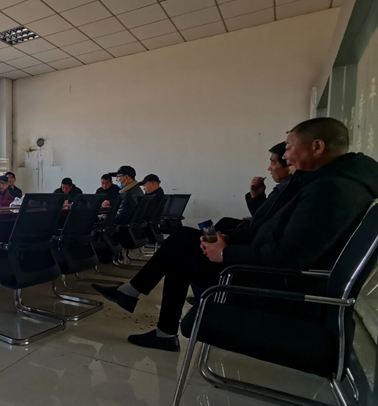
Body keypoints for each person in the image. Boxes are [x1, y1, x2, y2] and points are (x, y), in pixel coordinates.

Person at [92, 118, 378, 352]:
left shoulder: (331, 190)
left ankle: (145, 309)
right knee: (183, 242)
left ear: (317, 146)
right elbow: (275, 231)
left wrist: (226, 252)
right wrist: (228, 239)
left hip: (273, 290)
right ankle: (149, 315)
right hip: (271, 276)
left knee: (181, 247)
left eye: (289, 147)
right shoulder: (336, 183)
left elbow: (292, 255)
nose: (286, 156)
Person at [217, 142, 293, 232]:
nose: (269, 168)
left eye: (273, 162)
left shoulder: (289, 191)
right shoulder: (283, 188)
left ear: (288, 165)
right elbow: (265, 217)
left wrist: (255, 220)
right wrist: (258, 196)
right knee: (225, 223)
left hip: (260, 237)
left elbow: (269, 226)